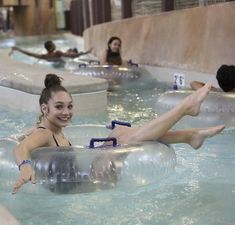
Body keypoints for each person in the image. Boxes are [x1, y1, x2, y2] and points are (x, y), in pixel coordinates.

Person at [12, 74, 225, 194]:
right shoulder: (45, 133)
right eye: (59, 107)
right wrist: (25, 168)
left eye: (69, 106)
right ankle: (185, 110)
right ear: (44, 109)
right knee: (125, 138)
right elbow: (22, 147)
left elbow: (29, 137)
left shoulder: (49, 130)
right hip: (83, 185)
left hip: (82, 178)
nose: (67, 112)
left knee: (121, 131)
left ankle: (189, 135)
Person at [9, 40, 92, 62]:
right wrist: (85, 53)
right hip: (61, 63)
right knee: (71, 51)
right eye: (54, 44)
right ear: (52, 47)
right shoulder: (58, 53)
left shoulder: (45, 56)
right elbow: (71, 56)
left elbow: (30, 54)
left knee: (70, 51)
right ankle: (73, 50)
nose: (55, 45)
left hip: (52, 65)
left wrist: (18, 49)